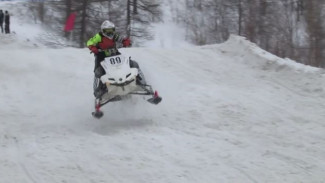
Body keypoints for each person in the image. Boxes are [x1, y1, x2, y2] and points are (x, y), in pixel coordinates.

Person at [87, 20, 142, 99]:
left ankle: (139, 80)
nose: (110, 33)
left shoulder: (114, 36)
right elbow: (89, 42)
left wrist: (126, 41)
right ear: (103, 31)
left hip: (114, 53)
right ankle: (98, 89)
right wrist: (93, 47)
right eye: (107, 31)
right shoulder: (99, 36)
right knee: (98, 71)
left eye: (111, 31)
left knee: (131, 63)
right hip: (101, 55)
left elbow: (121, 39)